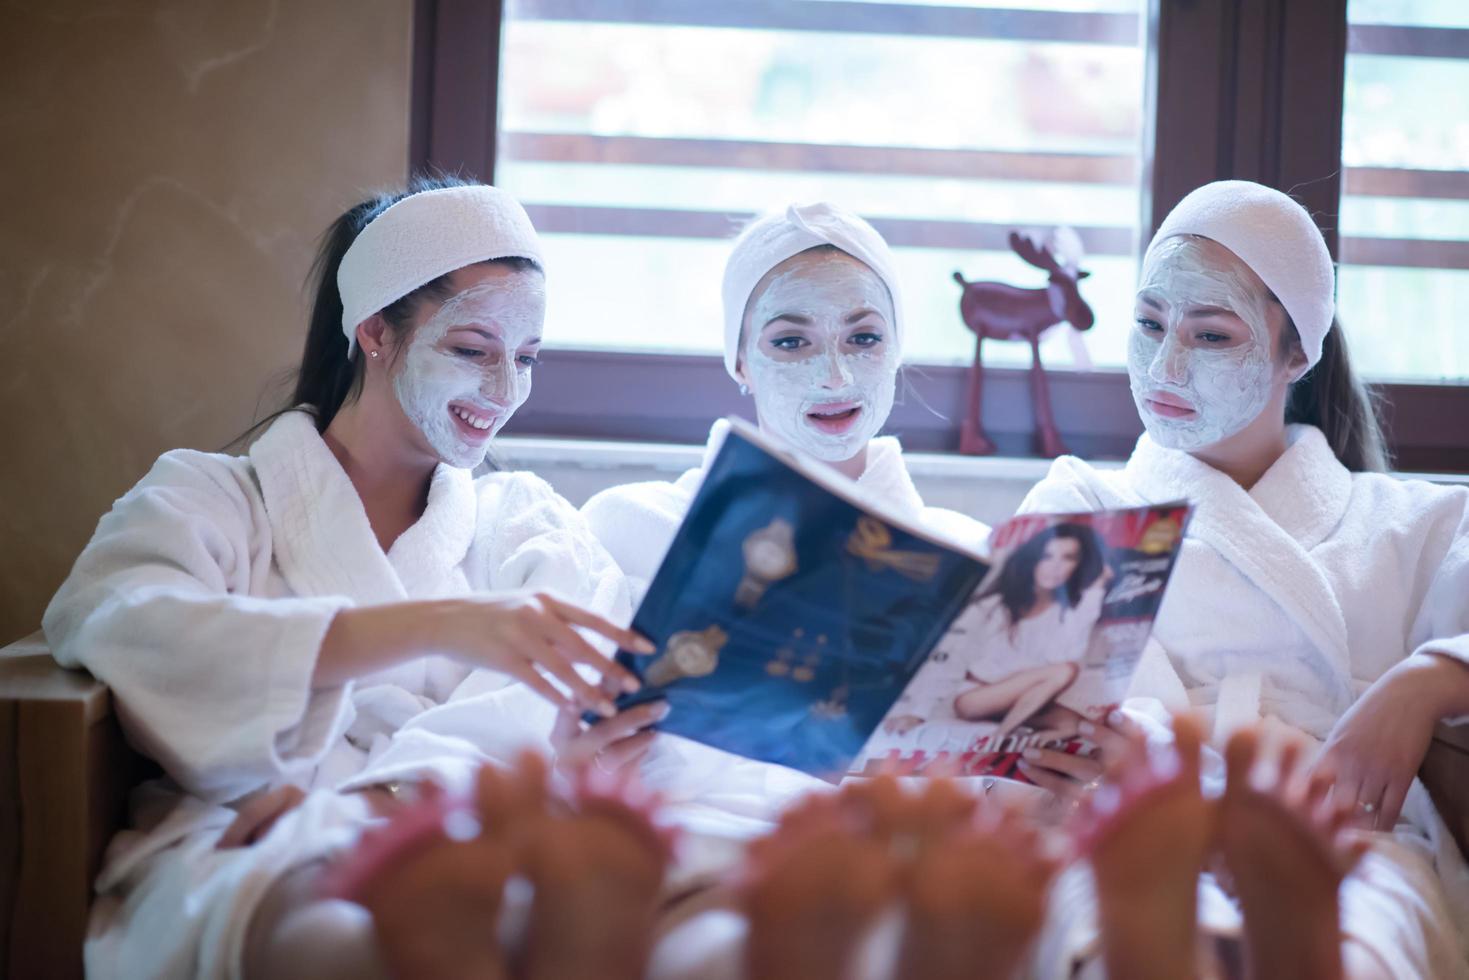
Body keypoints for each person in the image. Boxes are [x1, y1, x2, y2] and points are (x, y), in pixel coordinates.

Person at [41, 176, 649, 979]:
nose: (506, 392)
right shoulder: (211, 499)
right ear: (374, 331)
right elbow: (123, 623)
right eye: (473, 350)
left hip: (469, 831)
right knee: (342, 938)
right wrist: (433, 625)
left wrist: (379, 808)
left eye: (527, 359)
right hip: (249, 838)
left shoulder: (522, 523)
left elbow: (554, 717)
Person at [1018, 179, 1469, 978]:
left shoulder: (1413, 524)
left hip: (1339, 848)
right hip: (1130, 827)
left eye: (1211, 334)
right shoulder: (1079, 505)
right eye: (1148, 324)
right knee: (1109, 942)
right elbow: (1000, 710)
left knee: (1355, 945)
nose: (1164, 364)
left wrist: (1431, 679)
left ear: (1296, 353)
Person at [874, 522, 1108, 758]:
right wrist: (918, 712)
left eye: (1068, 558)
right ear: (1031, 561)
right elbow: (952, 658)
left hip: (1012, 701)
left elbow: (1063, 654)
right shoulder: (994, 606)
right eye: (1047, 556)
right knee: (1064, 671)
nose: (1055, 567)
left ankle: (1037, 730)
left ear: (1078, 566)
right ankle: (1000, 737)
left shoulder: (1062, 613)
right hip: (973, 696)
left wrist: (1096, 589)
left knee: (1076, 719)